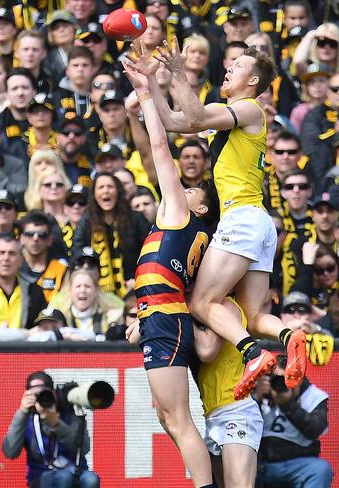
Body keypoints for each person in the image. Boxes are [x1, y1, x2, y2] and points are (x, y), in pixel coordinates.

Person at [131, 39, 307, 399]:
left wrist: (179, 72)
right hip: (258, 224)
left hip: (241, 219)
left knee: (201, 303)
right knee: (255, 316)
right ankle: (292, 336)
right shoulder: (227, 114)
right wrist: (151, 83)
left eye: (238, 65)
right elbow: (174, 121)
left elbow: (193, 117)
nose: (228, 68)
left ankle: (253, 353)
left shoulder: (250, 108)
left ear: (254, 81)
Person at [123, 56, 223, 487]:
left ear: (200, 206)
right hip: (161, 315)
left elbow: (159, 149)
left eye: (194, 189)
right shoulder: (192, 230)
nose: (185, 186)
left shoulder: (181, 214)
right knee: (167, 417)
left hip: (165, 320)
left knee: (178, 420)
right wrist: (143, 317)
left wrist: (147, 93)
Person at [2, 371, 100, 488]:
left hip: (74, 470)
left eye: (44, 394)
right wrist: (22, 411)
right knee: (63, 478)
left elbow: (83, 449)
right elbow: (10, 452)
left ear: (54, 394)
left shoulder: (69, 413)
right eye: (35, 395)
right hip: (42, 474)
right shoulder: (27, 420)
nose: (40, 399)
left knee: (92, 480)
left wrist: (56, 423)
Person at [253, 355, 333, 488]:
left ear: (300, 379)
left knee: (321, 469)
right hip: (261, 463)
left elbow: (315, 430)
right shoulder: (261, 393)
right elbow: (242, 426)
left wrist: (288, 405)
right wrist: (256, 398)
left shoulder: (314, 397)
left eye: (289, 379)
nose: (283, 384)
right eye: (279, 379)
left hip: (298, 464)